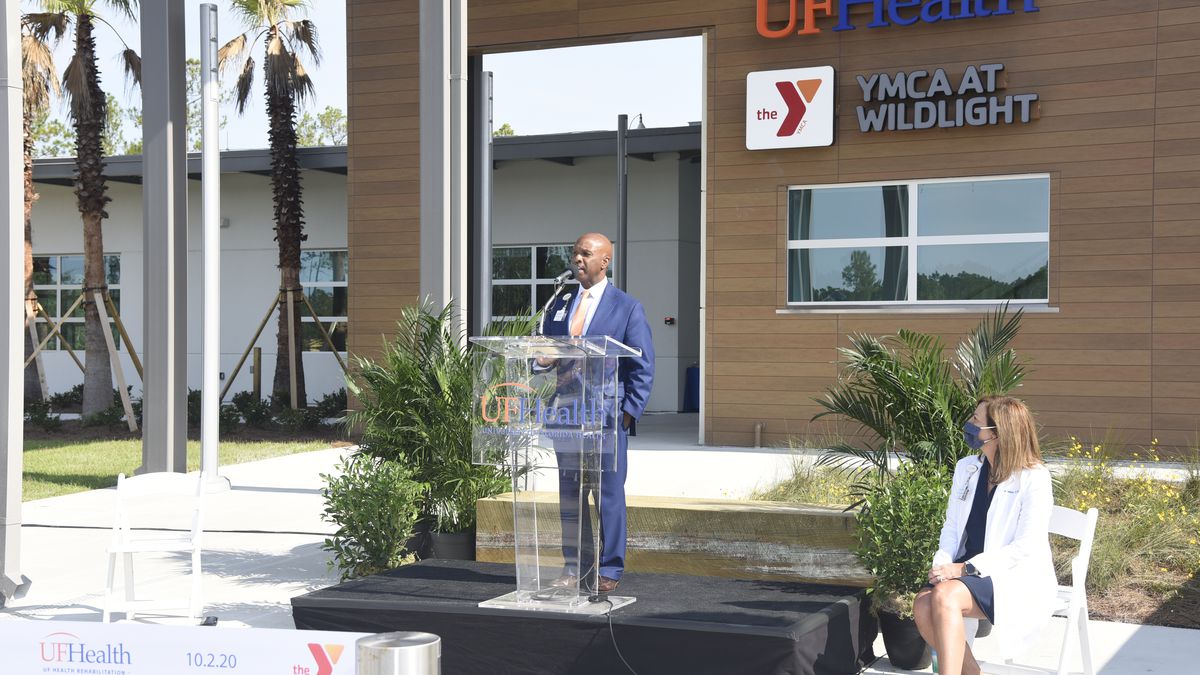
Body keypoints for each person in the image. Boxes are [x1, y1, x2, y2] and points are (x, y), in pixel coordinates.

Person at [541, 232, 654, 594]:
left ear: (605, 261)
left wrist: (628, 413)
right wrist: (539, 357)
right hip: (567, 414)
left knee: (607, 494)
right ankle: (574, 566)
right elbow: (543, 348)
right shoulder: (560, 304)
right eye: (575, 253)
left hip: (606, 417)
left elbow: (642, 364)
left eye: (586, 254)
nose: (578, 259)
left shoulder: (626, 307)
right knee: (570, 494)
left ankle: (610, 567)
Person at [913, 396, 1056, 675]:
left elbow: (1025, 546)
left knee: (944, 597)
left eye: (976, 421)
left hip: (1012, 574)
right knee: (922, 605)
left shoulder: (1034, 478)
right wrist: (942, 564)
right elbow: (952, 526)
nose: (969, 425)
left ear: (998, 432)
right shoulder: (968, 467)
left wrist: (964, 568)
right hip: (963, 571)